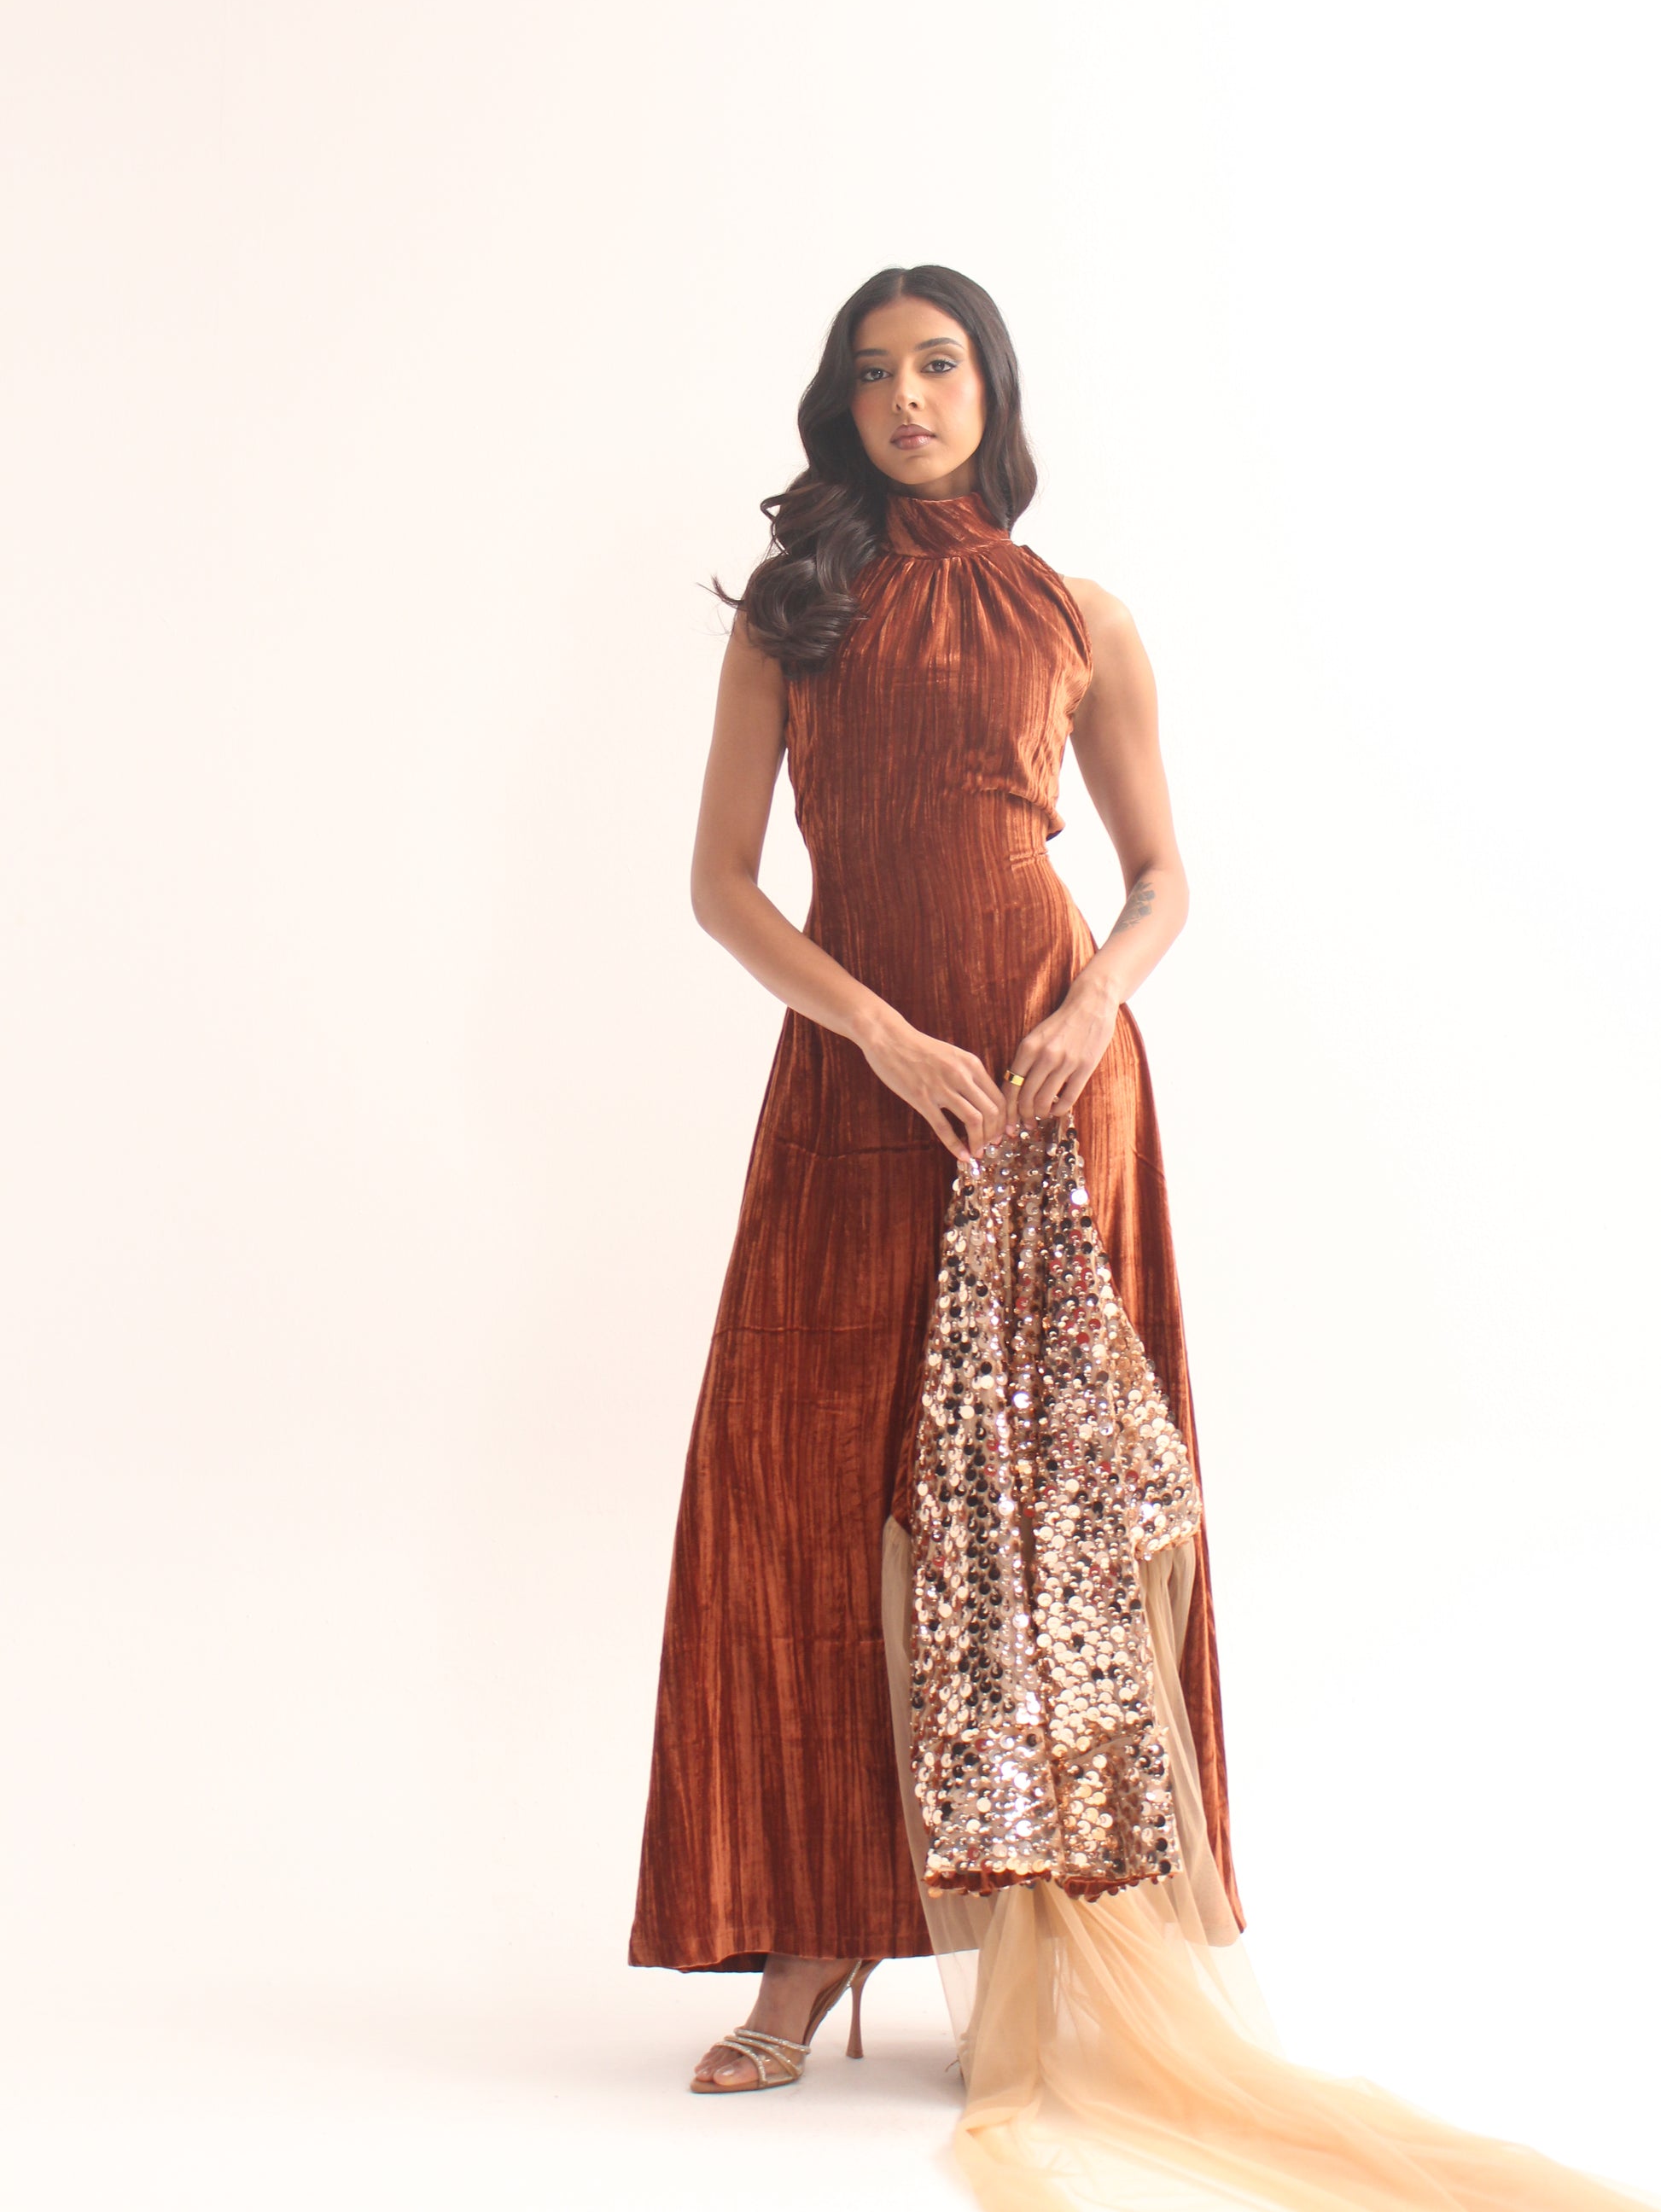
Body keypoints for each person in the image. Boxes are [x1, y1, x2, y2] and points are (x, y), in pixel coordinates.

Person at [628, 266, 1654, 2210]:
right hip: (859, 1085)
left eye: (939, 365)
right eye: (874, 371)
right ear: (838, 404)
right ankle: (815, 1933)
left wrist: (1093, 998)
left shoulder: (1081, 617)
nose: (908, 396)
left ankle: (1044, 1935)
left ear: (991, 390)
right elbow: (719, 885)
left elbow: (1163, 874)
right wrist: (875, 1032)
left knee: (1045, 1516)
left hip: (1045, 1084)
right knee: (804, 1488)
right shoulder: (793, 614)